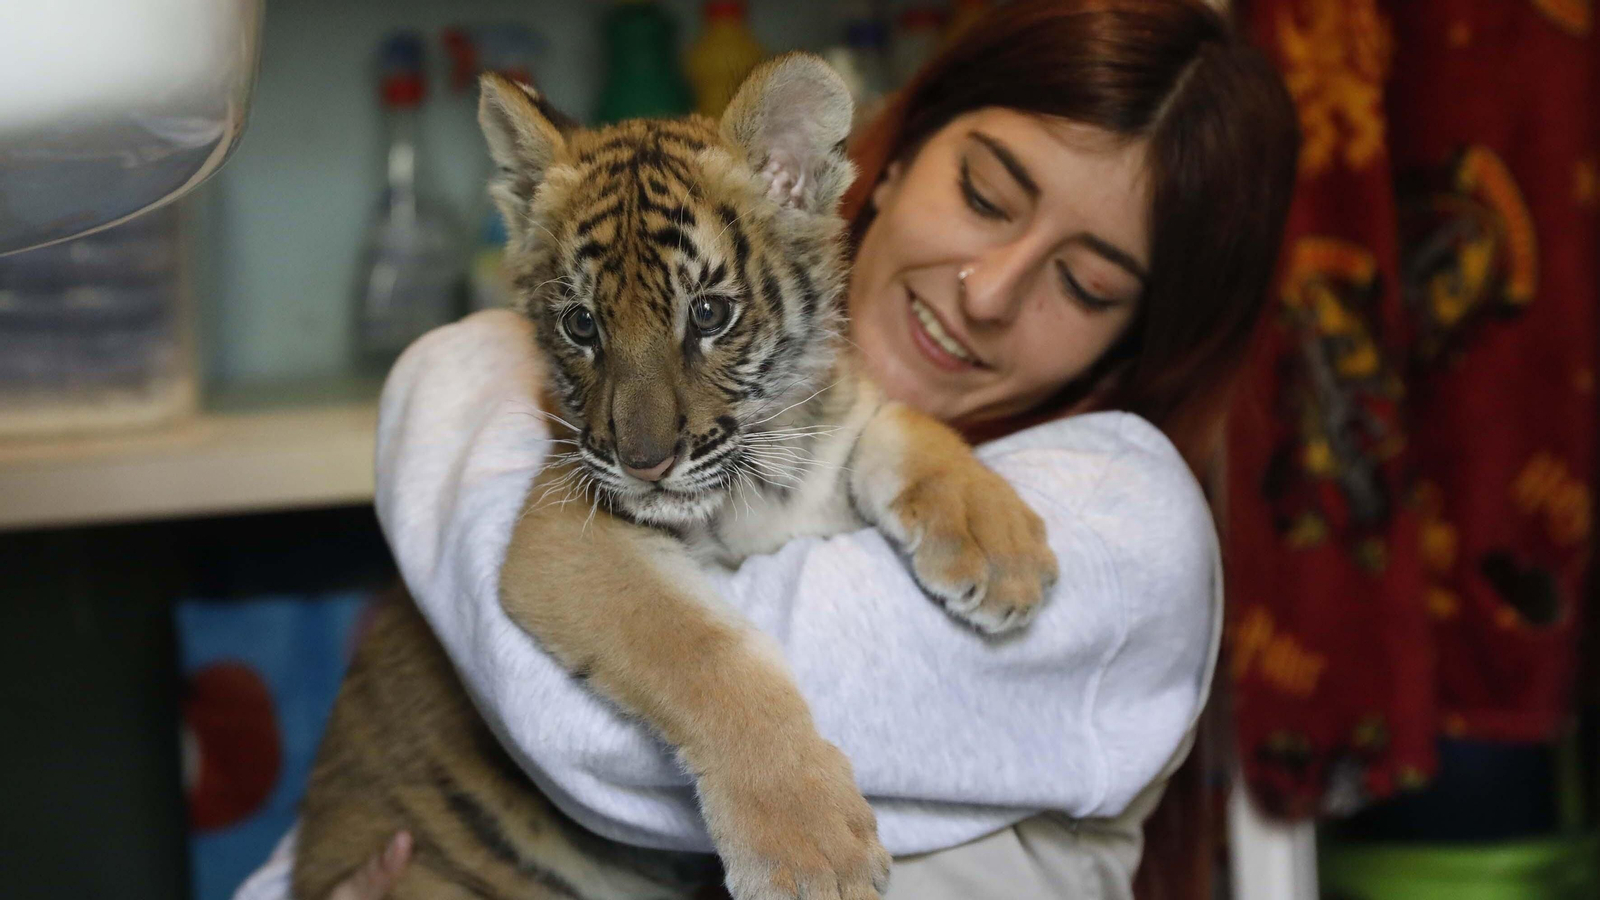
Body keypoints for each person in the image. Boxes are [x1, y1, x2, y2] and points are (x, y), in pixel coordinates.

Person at [237, 1, 1298, 897]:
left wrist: (458, 389)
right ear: (883, 163)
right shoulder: (784, 404)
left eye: (1086, 283)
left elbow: (581, 734)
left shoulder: (1126, 528)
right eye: (983, 194)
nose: (988, 291)